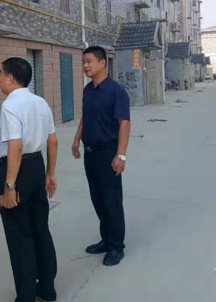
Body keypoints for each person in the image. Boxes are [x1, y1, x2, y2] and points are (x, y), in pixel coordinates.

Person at [0, 57, 58, 302]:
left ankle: (25, 296)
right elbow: (52, 141)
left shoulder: (10, 105)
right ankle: (47, 289)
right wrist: (50, 174)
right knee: (41, 229)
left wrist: (9, 185)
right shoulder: (41, 102)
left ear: (10, 78)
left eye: (1, 74)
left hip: (16, 170)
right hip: (37, 167)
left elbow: (16, 145)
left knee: (20, 236)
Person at [71, 46, 131, 266]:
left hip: (108, 153)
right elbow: (85, 116)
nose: (85, 66)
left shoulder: (116, 91)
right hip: (90, 153)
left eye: (89, 61)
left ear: (102, 63)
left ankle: (116, 247)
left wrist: (121, 156)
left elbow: (124, 123)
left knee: (111, 201)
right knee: (98, 199)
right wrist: (77, 138)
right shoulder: (88, 90)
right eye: (83, 62)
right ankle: (106, 239)